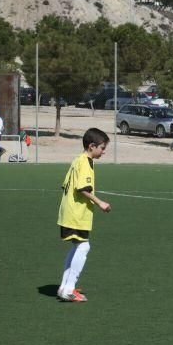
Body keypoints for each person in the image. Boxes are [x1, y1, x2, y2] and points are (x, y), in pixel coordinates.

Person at [56, 128, 112, 302]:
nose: (104, 151)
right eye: (102, 148)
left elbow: (65, 184)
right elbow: (82, 188)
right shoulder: (86, 162)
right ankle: (69, 289)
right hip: (76, 214)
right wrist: (100, 202)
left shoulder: (77, 160)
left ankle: (64, 287)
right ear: (92, 146)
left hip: (68, 212)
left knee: (78, 246)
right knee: (83, 247)